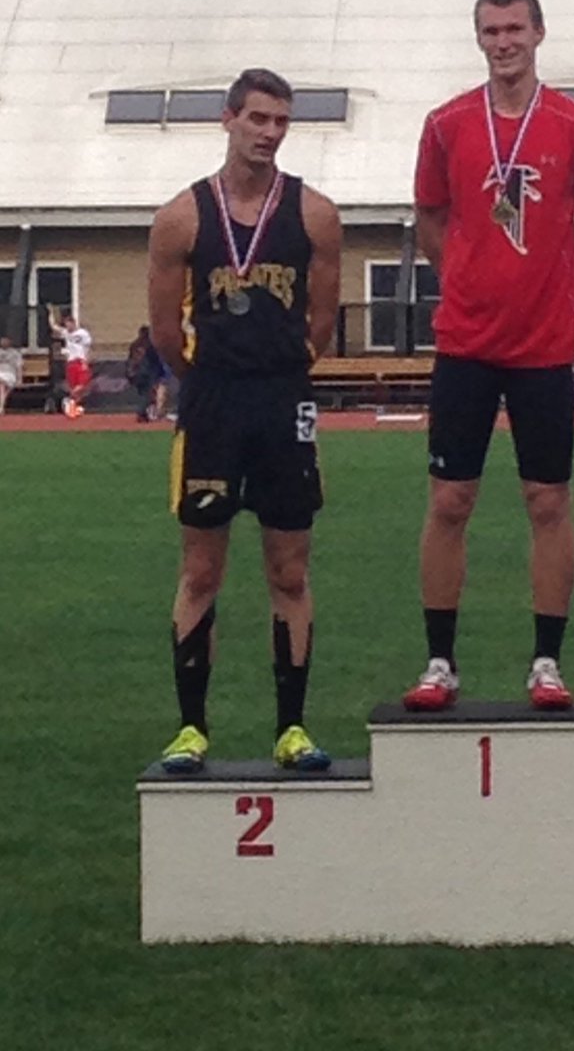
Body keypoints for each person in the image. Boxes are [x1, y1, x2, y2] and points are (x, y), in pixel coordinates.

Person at [403, 0, 574, 712]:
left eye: (515, 29)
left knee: (548, 499)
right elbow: (431, 216)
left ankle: (547, 663)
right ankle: (439, 661)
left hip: (544, 348)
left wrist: (557, 296)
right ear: (479, 38)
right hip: (465, 342)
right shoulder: (446, 124)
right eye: (491, 31)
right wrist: (465, 279)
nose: (504, 42)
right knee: (451, 499)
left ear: (539, 32)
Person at [148, 67, 342, 774]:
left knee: (290, 568)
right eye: (256, 119)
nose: (268, 133)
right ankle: (191, 728)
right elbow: (164, 330)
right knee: (201, 568)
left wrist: (280, 370)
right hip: (213, 408)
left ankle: (291, 728)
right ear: (228, 120)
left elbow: (322, 321)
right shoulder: (182, 217)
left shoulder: (315, 214)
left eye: (280, 121)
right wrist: (213, 377)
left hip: (283, 403)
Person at [48, 307, 92, 418]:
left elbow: (87, 347)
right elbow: (53, 326)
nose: (67, 326)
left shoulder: (83, 333)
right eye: (66, 324)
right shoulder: (66, 333)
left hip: (80, 361)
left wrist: (86, 359)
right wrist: (51, 313)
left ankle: (68, 401)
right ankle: (72, 406)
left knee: (83, 384)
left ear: (73, 323)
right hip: (71, 362)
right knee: (74, 387)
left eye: (69, 324)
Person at [126, 324, 169, 422]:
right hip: (147, 372)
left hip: (135, 372)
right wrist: (160, 372)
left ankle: (144, 414)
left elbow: (130, 359)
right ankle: (141, 413)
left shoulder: (135, 344)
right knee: (148, 394)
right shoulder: (150, 345)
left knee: (143, 393)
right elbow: (155, 360)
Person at [0, 334, 23, 415]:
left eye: (6, 340)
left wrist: (20, 379)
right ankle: (1, 408)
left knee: (2, 387)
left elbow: (19, 367)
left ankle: (1, 408)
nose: (4, 342)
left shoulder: (15, 353)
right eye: (2, 340)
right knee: (2, 388)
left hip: (10, 374)